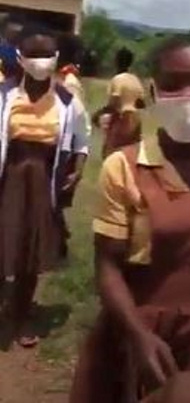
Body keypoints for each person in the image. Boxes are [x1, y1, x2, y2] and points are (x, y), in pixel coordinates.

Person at [70, 34, 190, 403]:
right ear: (153, 91)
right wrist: (138, 335)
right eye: (172, 84)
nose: (188, 96)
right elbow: (107, 265)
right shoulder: (122, 166)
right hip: (135, 324)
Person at [0, 24, 89, 347]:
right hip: (8, 176)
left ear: (56, 57)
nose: (41, 60)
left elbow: (82, 141)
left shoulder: (68, 100)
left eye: (47, 54)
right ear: (20, 58)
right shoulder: (4, 94)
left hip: (42, 179)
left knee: (30, 250)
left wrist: (76, 172)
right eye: (33, 54)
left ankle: (22, 314)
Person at [56, 33, 91, 258]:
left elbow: (82, 129)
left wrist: (78, 168)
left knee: (52, 202)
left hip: (64, 153)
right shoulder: (62, 80)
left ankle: (59, 244)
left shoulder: (69, 84)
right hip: (60, 151)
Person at [92, 47, 145, 158]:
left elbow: (114, 104)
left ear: (116, 61)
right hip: (135, 120)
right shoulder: (135, 80)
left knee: (110, 154)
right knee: (131, 154)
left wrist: (98, 114)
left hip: (121, 118)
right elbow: (141, 103)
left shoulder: (117, 79)